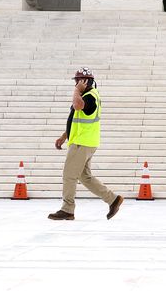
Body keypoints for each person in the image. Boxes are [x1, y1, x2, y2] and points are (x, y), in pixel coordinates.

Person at [49, 68, 123, 221]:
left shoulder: (89, 97)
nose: (76, 83)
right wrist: (64, 136)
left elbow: (77, 106)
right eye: (76, 81)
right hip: (83, 141)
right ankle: (113, 199)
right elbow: (75, 118)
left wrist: (77, 90)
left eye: (78, 80)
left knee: (69, 176)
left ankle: (67, 209)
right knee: (85, 177)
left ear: (86, 81)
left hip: (82, 143)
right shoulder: (84, 95)